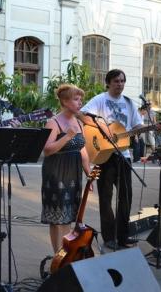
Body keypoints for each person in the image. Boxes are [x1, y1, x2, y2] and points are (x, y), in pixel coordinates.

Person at [80, 69, 143, 250]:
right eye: (116, 81)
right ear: (108, 82)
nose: (120, 84)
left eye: (122, 81)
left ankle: (122, 236)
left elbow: (136, 125)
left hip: (124, 156)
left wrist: (149, 128)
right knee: (106, 199)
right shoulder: (100, 100)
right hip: (104, 155)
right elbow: (82, 114)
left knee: (126, 197)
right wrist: (102, 126)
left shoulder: (129, 103)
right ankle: (109, 237)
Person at [40, 84, 91, 253]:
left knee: (69, 216)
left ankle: (66, 253)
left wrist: (89, 175)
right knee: (57, 217)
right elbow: (47, 150)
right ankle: (58, 256)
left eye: (80, 99)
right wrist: (67, 137)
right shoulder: (53, 122)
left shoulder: (79, 122)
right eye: (76, 99)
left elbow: (82, 150)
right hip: (56, 172)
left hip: (73, 173)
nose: (80, 103)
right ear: (64, 101)